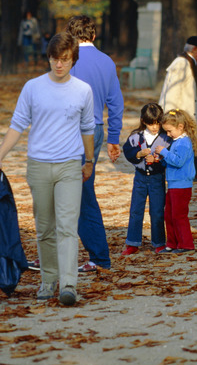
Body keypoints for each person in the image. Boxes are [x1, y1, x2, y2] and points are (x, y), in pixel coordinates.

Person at [0, 31, 95, 307]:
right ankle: (49, 279)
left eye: (64, 59)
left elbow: (87, 128)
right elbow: (17, 124)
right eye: (54, 59)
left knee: (67, 227)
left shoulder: (83, 90)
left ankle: (69, 284)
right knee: (45, 227)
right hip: (38, 166)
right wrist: (0, 155)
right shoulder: (33, 87)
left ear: (73, 60)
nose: (59, 64)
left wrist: (89, 160)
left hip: (70, 165)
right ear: (47, 58)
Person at [67, 15, 123, 272]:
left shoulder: (69, 60)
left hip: (74, 130)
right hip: (97, 128)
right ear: (94, 35)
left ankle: (99, 256)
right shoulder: (107, 61)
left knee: (79, 194)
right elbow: (116, 102)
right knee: (79, 190)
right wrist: (113, 138)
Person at [159, 35, 197, 179]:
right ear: (195, 49)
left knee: (187, 140)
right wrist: (170, 116)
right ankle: (194, 169)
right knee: (181, 141)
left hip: (184, 112)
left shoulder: (188, 62)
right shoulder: (181, 63)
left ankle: (195, 168)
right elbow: (172, 92)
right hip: (179, 112)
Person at [122, 102, 170, 254]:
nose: (154, 127)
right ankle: (132, 243)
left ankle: (159, 242)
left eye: (157, 123)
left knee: (157, 211)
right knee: (136, 210)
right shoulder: (136, 137)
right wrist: (138, 154)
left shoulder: (166, 138)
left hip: (157, 178)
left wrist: (158, 160)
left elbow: (170, 157)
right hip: (140, 178)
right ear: (143, 121)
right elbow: (127, 151)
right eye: (150, 124)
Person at [153, 108, 197, 252]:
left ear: (180, 127)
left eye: (169, 131)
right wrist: (161, 159)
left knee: (179, 216)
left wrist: (164, 152)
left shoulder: (184, 142)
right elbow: (172, 162)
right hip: (173, 184)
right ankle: (172, 243)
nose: (168, 134)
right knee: (169, 215)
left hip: (182, 185)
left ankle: (186, 244)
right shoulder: (176, 141)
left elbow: (178, 161)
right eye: (166, 131)